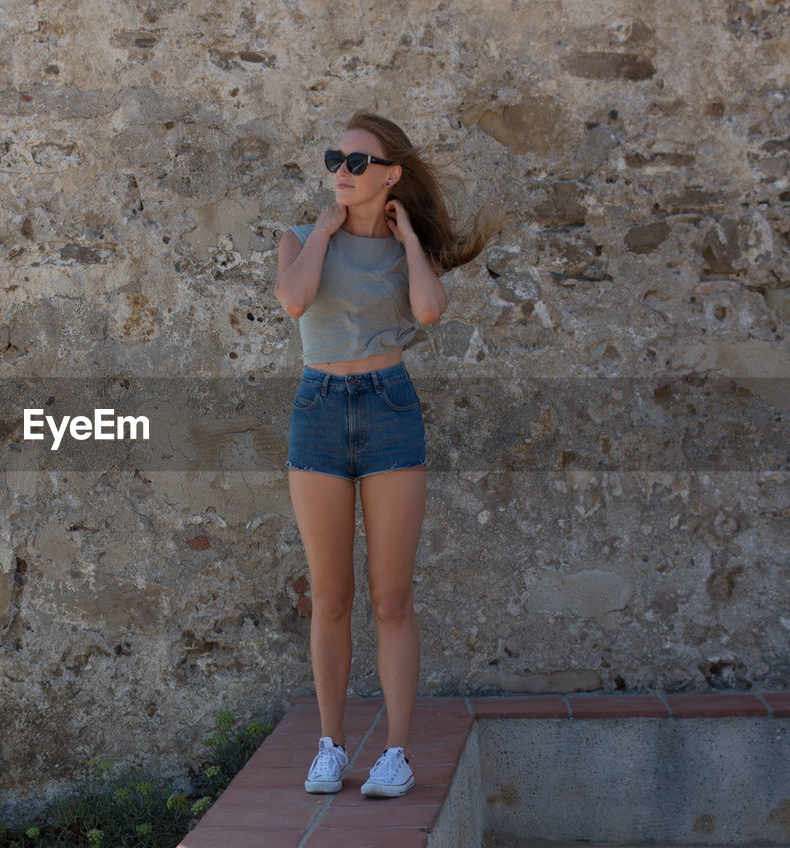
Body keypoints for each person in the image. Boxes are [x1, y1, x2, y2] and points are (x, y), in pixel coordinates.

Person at [275, 111, 494, 798]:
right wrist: (326, 232)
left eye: (358, 161)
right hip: (318, 409)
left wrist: (411, 242)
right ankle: (331, 747)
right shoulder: (301, 239)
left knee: (392, 599)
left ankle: (395, 754)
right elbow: (293, 300)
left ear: (390, 174)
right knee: (330, 597)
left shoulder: (406, 252)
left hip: (390, 409)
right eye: (334, 157)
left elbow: (429, 310)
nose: (342, 170)